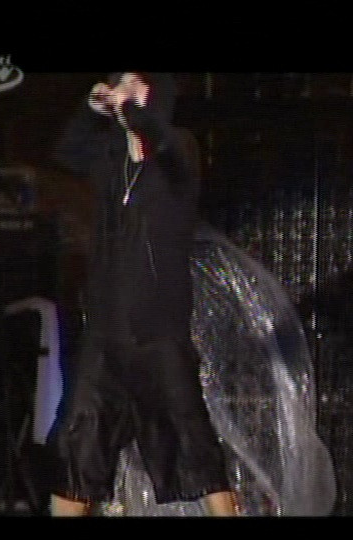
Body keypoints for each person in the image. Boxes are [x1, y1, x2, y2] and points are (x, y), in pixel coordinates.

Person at [47, 72, 238, 516]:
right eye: (121, 83)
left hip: (158, 333)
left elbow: (160, 139)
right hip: (105, 334)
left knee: (191, 441)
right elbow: (67, 153)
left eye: (135, 85)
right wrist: (92, 108)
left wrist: (132, 108)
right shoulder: (111, 160)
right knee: (79, 441)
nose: (123, 91)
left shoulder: (179, 151)